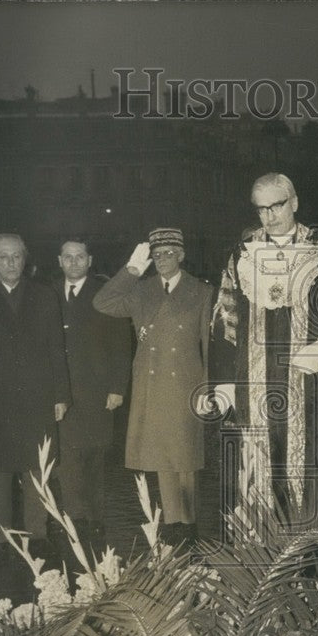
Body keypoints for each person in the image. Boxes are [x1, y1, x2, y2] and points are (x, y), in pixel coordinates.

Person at [208, 173, 318, 518]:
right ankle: (266, 549)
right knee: (261, 476)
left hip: (314, 389)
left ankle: (316, 550)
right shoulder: (241, 254)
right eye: (261, 208)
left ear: (294, 202)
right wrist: (223, 382)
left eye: (276, 206)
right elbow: (225, 320)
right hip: (255, 387)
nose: (269, 216)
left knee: (315, 477)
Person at [93, 228, 213, 542]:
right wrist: (131, 270)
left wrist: (207, 388)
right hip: (153, 384)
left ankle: (189, 523)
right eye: (156, 255)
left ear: (181, 255)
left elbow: (208, 344)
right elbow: (103, 302)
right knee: (162, 458)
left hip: (186, 384)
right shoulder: (141, 290)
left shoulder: (201, 291)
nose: (162, 259)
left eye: (168, 253)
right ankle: (173, 524)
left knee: (185, 458)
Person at [0, 234, 70, 549]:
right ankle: (1, 539)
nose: (10, 263)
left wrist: (61, 395)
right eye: (3, 257)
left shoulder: (44, 295)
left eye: (16, 256)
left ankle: (38, 535)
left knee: (37, 467)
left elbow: (56, 349)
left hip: (38, 396)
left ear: (25, 259)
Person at [53, 239, 131, 545]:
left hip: (97, 392)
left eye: (79, 257)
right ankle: (75, 519)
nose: (74, 262)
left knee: (94, 459)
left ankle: (95, 518)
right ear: (59, 261)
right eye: (68, 257)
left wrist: (117, 388)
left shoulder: (106, 293)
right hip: (61, 390)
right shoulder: (48, 293)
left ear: (89, 260)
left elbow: (121, 344)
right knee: (66, 458)